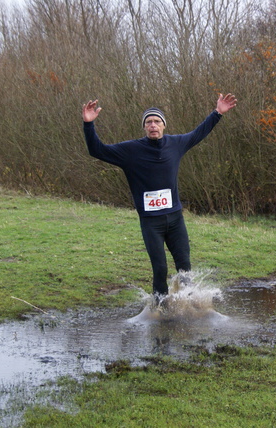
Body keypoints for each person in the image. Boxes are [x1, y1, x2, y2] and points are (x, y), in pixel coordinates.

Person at [82, 93, 237, 304]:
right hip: (151, 222)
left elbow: (199, 133)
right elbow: (96, 150)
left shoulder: (176, 144)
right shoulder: (131, 150)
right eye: (148, 122)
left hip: (175, 219)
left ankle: (189, 306)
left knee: (184, 266)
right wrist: (88, 125)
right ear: (144, 127)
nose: (153, 125)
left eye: (157, 121)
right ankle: (160, 309)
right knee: (160, 269)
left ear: (163, 125)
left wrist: (217, 113)